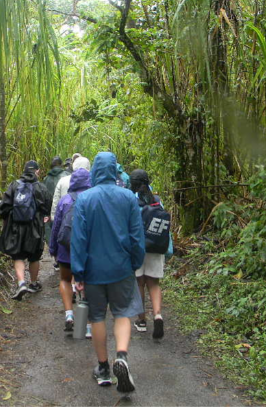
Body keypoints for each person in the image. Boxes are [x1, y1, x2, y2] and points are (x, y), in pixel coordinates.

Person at [71, 152, 145, 393]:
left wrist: (78, 273)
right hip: (121, 267)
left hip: (93, 271)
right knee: (123, 312)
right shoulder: (128, 198)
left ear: (95, 171)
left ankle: (103, 368)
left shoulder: (84, 199)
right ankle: (121, 357)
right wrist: (135, 262)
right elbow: (136, 236)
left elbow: (79, 239)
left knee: (97, 317)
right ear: (114, 170)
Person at [0, 160, 52, 300]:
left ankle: (21, 282)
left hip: (16, 226)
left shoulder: (14, 185)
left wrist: (6, 223)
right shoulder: (41, 187)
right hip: (34, 226)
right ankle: (33, 283)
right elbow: (47, 207)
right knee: (34, 256)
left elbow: (4, 207)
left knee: (18, 255)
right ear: (37, 171)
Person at [49, 165, 91, 334]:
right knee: (87, 283)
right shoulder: (92, 199)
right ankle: (86, 326)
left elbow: (57, 226)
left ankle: (69, 314)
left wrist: (53, 248)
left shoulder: (65, 200)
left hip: (66, 248)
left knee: (66, 280)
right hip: (87, 249)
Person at [130, 169, 166, 339]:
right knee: (154, 283)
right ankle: (158, 315)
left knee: (139, 283)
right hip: (156, 246)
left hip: (138, 247)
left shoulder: (132, 201)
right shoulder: (157, 201)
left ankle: (142, 320)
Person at [44, 156, 71, 268]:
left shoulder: (46, 179)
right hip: (65, 208)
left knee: (52, 233)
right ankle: (64, 258)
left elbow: (44, 196)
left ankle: (56, 259)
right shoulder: (66, 176)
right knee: (64, 232)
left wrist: (47, 212)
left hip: (51, 209)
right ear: (61, 165)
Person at [51, 155, 90, 221]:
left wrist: (53, 219)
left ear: (73, 166)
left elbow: (56, 203)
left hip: (65, 220)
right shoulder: (93, 182)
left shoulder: (62, 180)